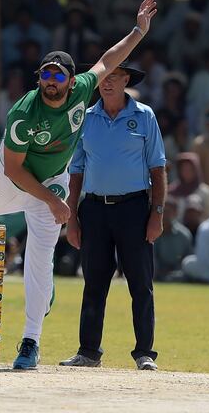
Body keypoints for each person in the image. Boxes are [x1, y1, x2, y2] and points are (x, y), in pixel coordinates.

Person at [0, 0, 157, 370]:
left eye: (58, 75)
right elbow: (14, 170)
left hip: (51, 181)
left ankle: (30, 342)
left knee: (40, 260)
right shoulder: (24, 111)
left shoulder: (84, 87)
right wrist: (55, 203)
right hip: (13, 175)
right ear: (38, 78)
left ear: (72, 81)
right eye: (45, 74)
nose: (51, 82)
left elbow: (110, 58)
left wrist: (139, 29)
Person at [60, 62, 166, 371]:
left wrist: (156, 214)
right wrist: (73, 217)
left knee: (140, 284)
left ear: (126, 80)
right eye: (104, 77)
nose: (107, 83)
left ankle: (144, 352)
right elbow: (76, 170)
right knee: (93, 282)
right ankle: (88, 351)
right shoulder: (85, 118)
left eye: (115, 77)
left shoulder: (144, 116)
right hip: (93, 209)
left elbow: (158, 170)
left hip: (134, 208)